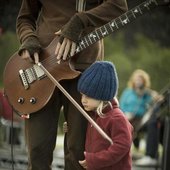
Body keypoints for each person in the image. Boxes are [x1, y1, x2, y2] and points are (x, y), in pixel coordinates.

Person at [16, 1, 128, 170]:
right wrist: (28, 39)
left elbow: (119, 5)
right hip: (43, 69)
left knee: (79, 151)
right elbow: (25, 18)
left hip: (84, 71)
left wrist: (80, 20)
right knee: (37, 149)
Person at [64, 61, 133, 170]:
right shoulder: (94, 115)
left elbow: (122, 146)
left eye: (88, 96)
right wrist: (71, 128)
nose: (83, 100)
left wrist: (94, 160)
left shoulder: (116, 118)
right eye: (82, 95)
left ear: (102, 96)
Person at [119, 69, 158, 149]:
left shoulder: (146, 94)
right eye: (136, 80)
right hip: (128, 117)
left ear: (144, 82)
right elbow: (121, 105)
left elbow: (152, 106)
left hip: (140, 119)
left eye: (140, 80)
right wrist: (125, 113)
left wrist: (154, 96)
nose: (138, 82)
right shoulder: (128, 92)